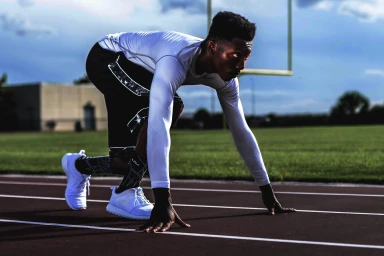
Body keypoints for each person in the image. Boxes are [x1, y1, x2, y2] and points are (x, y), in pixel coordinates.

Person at [62, 11, 295, 232]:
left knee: (125, 162)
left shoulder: (227, 79)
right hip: (107, 57)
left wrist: (266, 191)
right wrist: (163, 200)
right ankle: (126, 192)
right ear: (212, 46)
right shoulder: (175, 59)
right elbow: (158, 125)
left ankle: (80, 166)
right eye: (236, 56)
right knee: (168, 108)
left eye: (246, 57)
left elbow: (241, 130)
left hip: (142, 71)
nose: (242, 66)